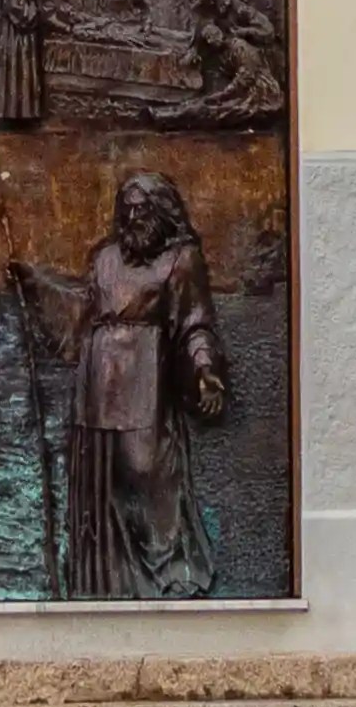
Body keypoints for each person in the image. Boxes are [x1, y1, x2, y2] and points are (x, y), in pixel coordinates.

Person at [24, 171, 228, 599]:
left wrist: (205, 370)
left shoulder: (180, 260)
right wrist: (33, 284)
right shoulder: (105, 259)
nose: (133, 217)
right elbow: (81, 310)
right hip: (98, 382)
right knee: (106, 480)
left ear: (160, 212)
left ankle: (171, 571)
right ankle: (108, 580)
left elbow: (195, 324)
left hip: (145, 381)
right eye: (127, 208)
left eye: (142, 208)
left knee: (146, 471)